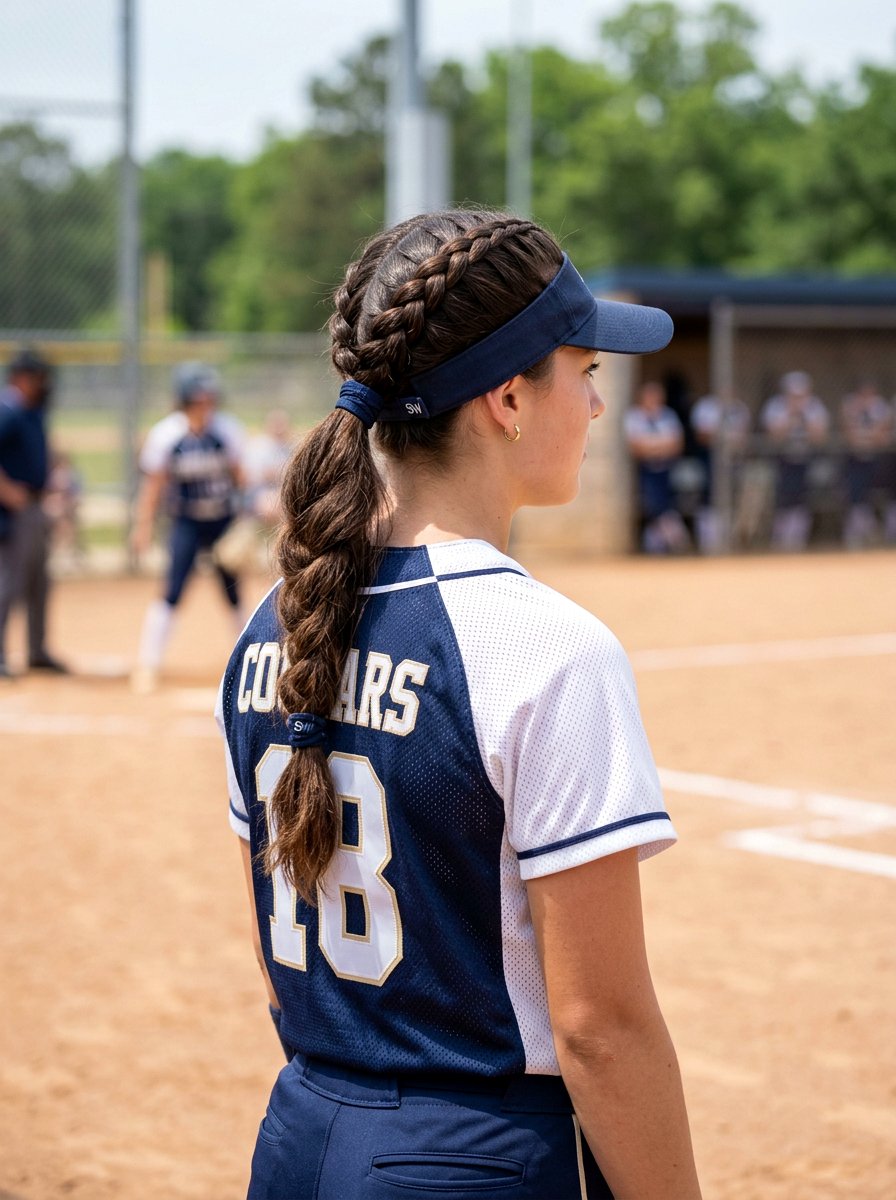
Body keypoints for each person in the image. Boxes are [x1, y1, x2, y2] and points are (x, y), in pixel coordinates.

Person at [216, 211, 702, 1200]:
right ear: (510, 397)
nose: (598, 407)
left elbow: (277, 968)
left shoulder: (274, 621)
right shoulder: (544, 646)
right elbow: (598, 1030)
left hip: (300, 1132)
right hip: (473, 1157)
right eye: (588, 373)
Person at [132, 363, 246, 691]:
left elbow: (242, 478)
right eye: (198, 399)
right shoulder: (168, 434)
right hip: (186, 521)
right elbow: (153, 486)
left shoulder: (226, 430)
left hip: (221, 520)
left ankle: (247, 659)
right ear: (183, 400)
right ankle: (148, 663)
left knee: (232, 592)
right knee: (172, 589)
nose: (205, 405)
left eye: (209, 398)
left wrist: (245, 520)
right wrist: (142, 526)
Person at [0, 348, 69, 678]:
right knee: (7, 585)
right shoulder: (8, 410)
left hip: (36, 506)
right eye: (37, 377)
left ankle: (37, 651)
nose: (44, 384)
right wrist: (7, 491)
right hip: (14, 511)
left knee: (39, 583)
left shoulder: (32, 411)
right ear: (20, 378)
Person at [760, 370, 829, 550]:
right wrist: (791, 415)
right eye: (793, 394)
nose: (797, 398)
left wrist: (803, 416)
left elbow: (819, 437)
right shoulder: (776, 405)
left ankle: (797, 542)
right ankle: (779, 541)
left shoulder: (814, 406)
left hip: (806, 457)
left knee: (803, 501)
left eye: (800, 394)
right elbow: (774, 435)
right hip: (782, 458)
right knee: (782, 501)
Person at [624, 380, 690, 553]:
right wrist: (662, 444)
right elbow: (637, 447)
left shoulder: (668, 415)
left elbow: (677, 445)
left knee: (667, 505)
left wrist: (652, 445)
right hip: (646, 469)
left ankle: (667, 544)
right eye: (649, 395)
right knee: (652, 505)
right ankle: (670, 541)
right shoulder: (635, 416)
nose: (653, 399)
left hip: (666, 468)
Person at [689, 387, 752, 552]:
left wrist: (732, 441)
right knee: (709, 496)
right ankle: (708, 543)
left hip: (733, 456)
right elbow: (701, 436)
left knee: (732, 496)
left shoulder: (739, 408)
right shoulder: (705, 406)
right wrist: (720, 436)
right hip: (709, 455)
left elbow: (743, 436)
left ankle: (729, 541)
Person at [838, 380, 891, 547]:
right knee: (855, 496)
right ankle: (858, 535)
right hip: (855, 459)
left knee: (878, 495)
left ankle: (882, 533)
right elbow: (849, 435)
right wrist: (866, 437)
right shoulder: (850, 405)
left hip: (877, 459)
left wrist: (866, 438)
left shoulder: (880, 407)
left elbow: (881, 437)